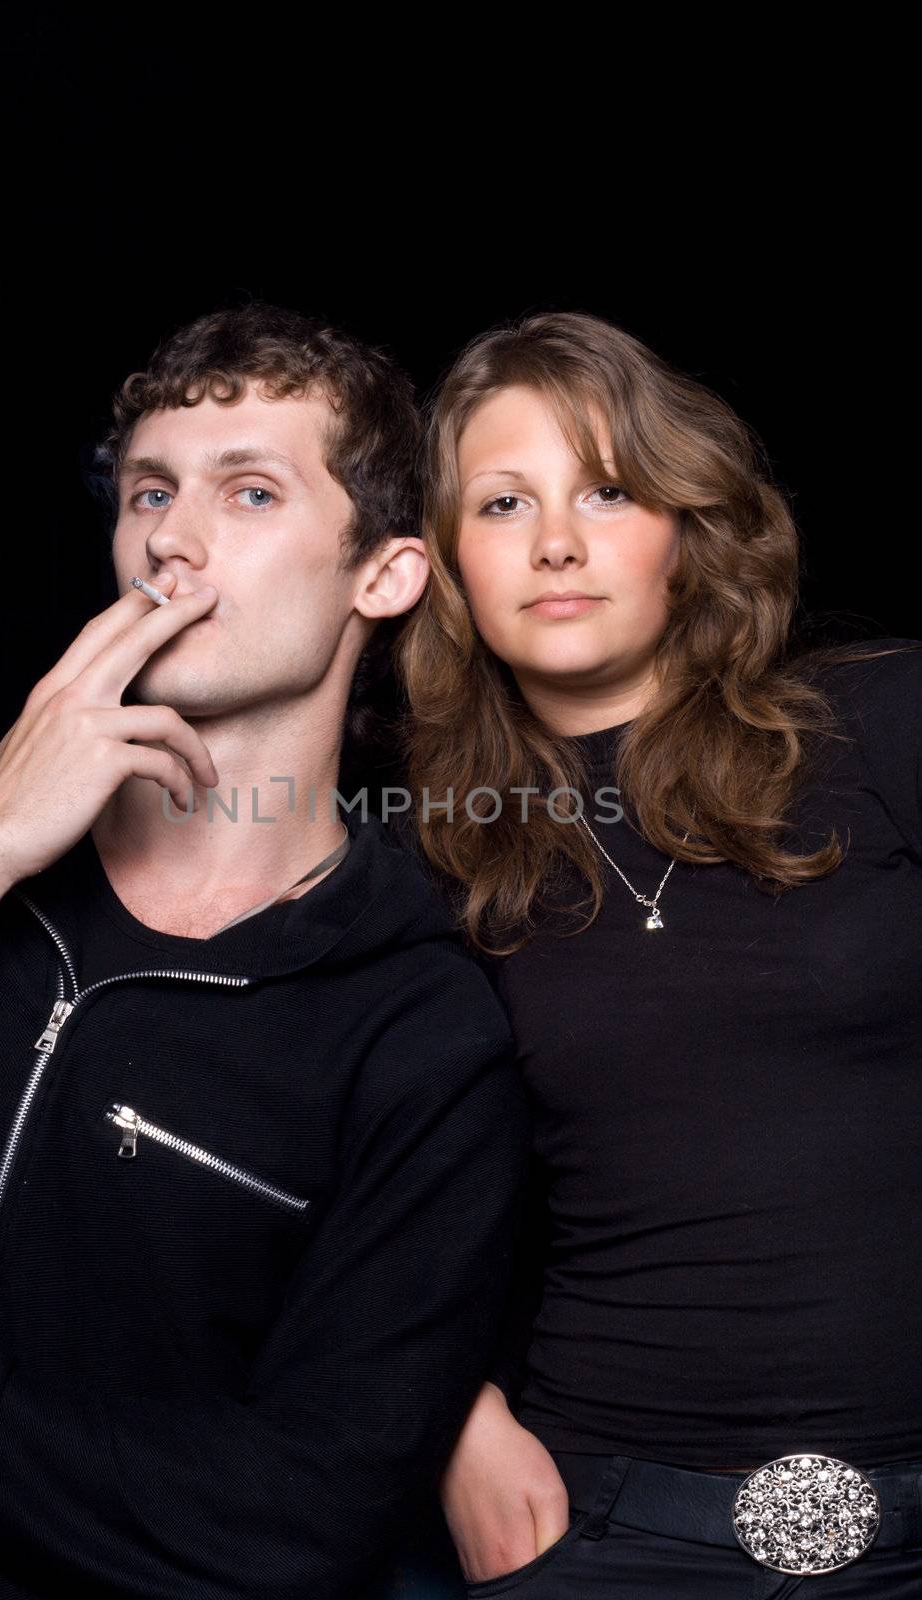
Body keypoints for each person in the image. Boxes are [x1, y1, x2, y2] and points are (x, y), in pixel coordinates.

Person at [0, 302, 530, 1600]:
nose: (169, 537)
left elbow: (289, 1525)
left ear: (381, 576)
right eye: (149, 492)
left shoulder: (412, 1024)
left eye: (251, 492)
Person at [391, 311, 922, 1597]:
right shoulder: (421, 853)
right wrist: (451, 1418)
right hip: (616, 1532)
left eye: (609, 489)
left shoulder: (881, 721)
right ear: (443, 564)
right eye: (503, 502)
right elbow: (317, 1180)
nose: (557, 543)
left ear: (686, 526)